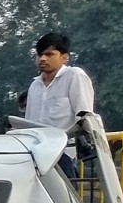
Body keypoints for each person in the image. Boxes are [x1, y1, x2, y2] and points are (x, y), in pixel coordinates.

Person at [25, 32, 94, 180]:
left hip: (62, 154)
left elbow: (85, 118)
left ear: (64, 57)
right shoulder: (34, 86)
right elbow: (28, 124)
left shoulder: (75, 76)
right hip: (34, 155)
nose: (42, 58)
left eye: (49, 54)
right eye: (40, 54)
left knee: (63, 201)